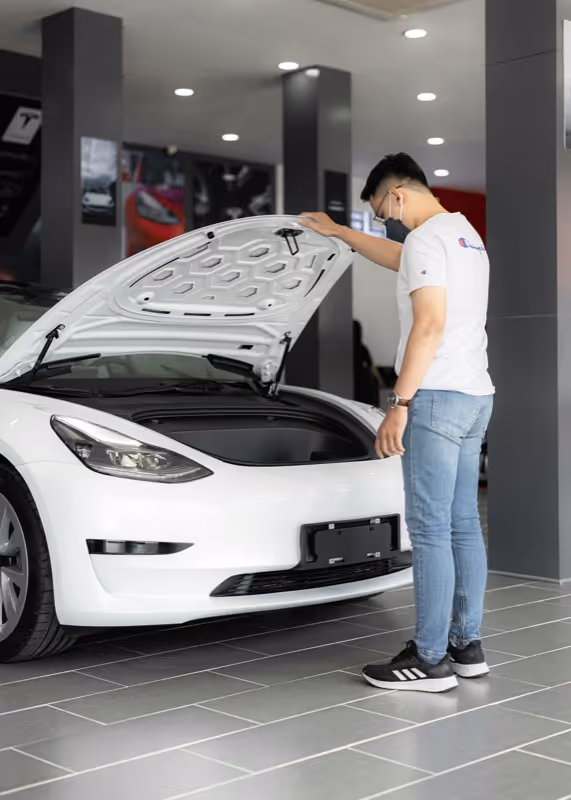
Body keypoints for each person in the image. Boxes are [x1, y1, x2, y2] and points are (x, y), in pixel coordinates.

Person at [301, 153, 494, 693]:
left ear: (399, 195)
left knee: (432, 530)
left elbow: (428, 325)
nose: (389, 223)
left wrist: (399, 403)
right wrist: (341, 233)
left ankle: (430, 660)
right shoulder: (463, 235)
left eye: (385, 213)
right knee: (461, 525)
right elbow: (399, 257)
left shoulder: (429, 239)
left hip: (433, 397)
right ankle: (465, 645)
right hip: (475, 393)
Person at [353, 320, 384, 404]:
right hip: (361, 381)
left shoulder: (343, 349)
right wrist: (380, 380)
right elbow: (371, 366)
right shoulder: (362, 348)